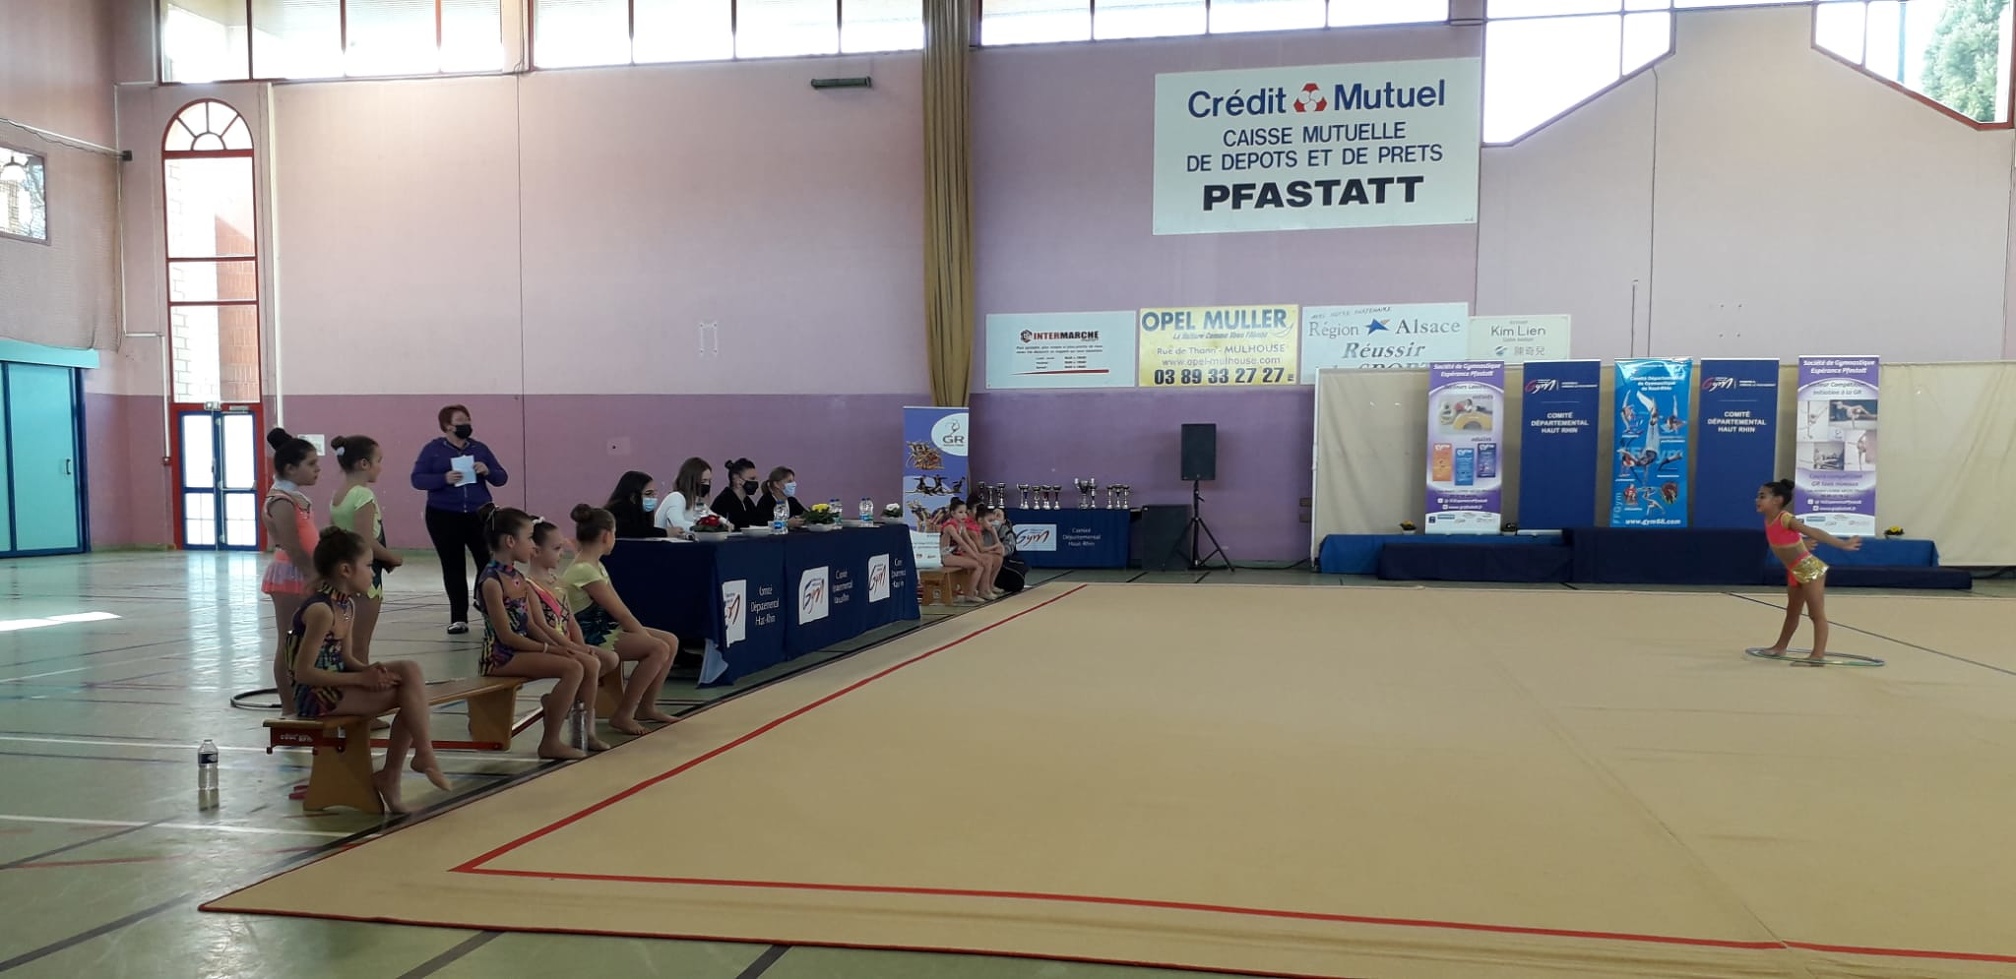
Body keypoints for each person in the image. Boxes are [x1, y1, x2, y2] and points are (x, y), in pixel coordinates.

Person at [287, 527, 452, 813]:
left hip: (338, 685)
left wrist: (371, 670)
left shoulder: (347, 606)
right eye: (368, 566)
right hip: (315, 696)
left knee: (409, 670)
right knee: (409, 697)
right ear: (346, 570)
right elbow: (303, 673)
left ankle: (419, 756)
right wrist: (361, 679)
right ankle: (400, 769)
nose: (372, 573)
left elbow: (347, 658)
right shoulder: (321, 611)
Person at [474, 507, 591, 760]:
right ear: (510, 541)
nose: (532, 545)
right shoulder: (492, 581)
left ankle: (568, 720)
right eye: (528, 538)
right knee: (573, 668)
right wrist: (550, 649)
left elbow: (531, 626)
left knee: (578, 661)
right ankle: (550, 742)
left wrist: (562, 647)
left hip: (518, 651)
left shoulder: (516, 577)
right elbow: (506, 636)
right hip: (499, 657)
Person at [559, 505, 679, 734]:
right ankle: (624, 714)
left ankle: (647, 707)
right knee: (659, 648)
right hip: (589, 634)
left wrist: (641, 634)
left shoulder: (596, 565)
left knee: (670, 641)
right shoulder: (584, 570)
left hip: (603, 628)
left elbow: (619, 607)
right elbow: (620, 613)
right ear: (606, 535)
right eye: (615, 533)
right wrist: (644, 637)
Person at [411, 404, 510, 635]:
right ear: (447, 426)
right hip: (443, 515)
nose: (466, 424)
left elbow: (502, 477)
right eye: (460, 421)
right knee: (453, 566)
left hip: (479, 514)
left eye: (468, 420)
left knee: (486, 562)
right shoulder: (433, 450)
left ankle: (486, 607)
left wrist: (488, 471)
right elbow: (417, 479)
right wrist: (443, 478)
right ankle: (458, 618)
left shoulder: (480, 449)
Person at [524, 519, 614, 752]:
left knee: (608, 659)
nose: (562, 554)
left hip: (565, 643)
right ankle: (582, 732)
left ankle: (560, 705)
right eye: (556, 549)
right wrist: (573, 648)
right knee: (590, 664)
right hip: (546, 645)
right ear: (535, 551)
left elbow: (571, 620)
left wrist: (581, 645)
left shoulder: (558, 582)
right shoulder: (529, 586)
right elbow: (541, 627)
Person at [1757, 479, 1862, 664]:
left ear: (1777, 500)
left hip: (1810, 569)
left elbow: (1814, 532)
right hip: (1793, 571)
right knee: (1792, 612)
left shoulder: (1785, 518)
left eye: (1762, 496)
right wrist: (1801, 544)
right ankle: (1780, 647)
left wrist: (1842, 544)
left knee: (1816, 614)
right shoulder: (1768, 520)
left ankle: (1817, 655)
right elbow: (1785, 541)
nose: (1757, 500)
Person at [328, 435, 403, 665]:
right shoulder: (363, 495)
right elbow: (365, 541)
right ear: (363, 464)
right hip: (364, 578)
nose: (380, 467)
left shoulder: (338, 494)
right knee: (359, 645)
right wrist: (393, 558)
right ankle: (360, 683)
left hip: (343, 574)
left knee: (346, 643)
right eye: (378, 461)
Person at [262, 428, 321, 717]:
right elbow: (293, 546)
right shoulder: (281, 500)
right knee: (288, 641)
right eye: (311, 464)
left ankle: (307, 701)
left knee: (306, 641)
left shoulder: (293, 496)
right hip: (291, 574)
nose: (317, 469)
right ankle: (289, 708)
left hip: (304, 571)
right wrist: (313, 575)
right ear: (290, 468)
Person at [937, 497, 991, 604]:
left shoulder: (961, 525)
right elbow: (962, 543)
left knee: (985, 560)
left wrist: (977, 554)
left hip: (956, 554)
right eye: (960, 512)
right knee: (978, 565)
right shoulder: (950, 526)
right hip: (947, 556)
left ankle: (983, 590)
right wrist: (976, 557)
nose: (964, 515)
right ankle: (970, 594)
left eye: (965, 512)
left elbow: (969, 542)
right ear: (953, 513)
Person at [654, 457, 716, 537]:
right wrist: (706, 528)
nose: (707, 485)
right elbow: (679, 524)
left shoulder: (696, 502)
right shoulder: (675, 497)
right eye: (703, 481)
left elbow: (715, 519)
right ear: (690, 480)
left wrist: (724, 525)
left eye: (709, 481)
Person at [602, 470, 668, 538]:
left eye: (655, 493)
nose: (653, 498)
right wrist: (665, 533)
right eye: (648, 493)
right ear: (633, 497)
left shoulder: (643, 513)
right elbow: (629, 531)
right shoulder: (616, 512)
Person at [710, 458, 767, 529]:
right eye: (752, 478)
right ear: (737, 479)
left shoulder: (747, 501)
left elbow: (759, 522)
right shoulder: (724, 501)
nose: (756, 482)